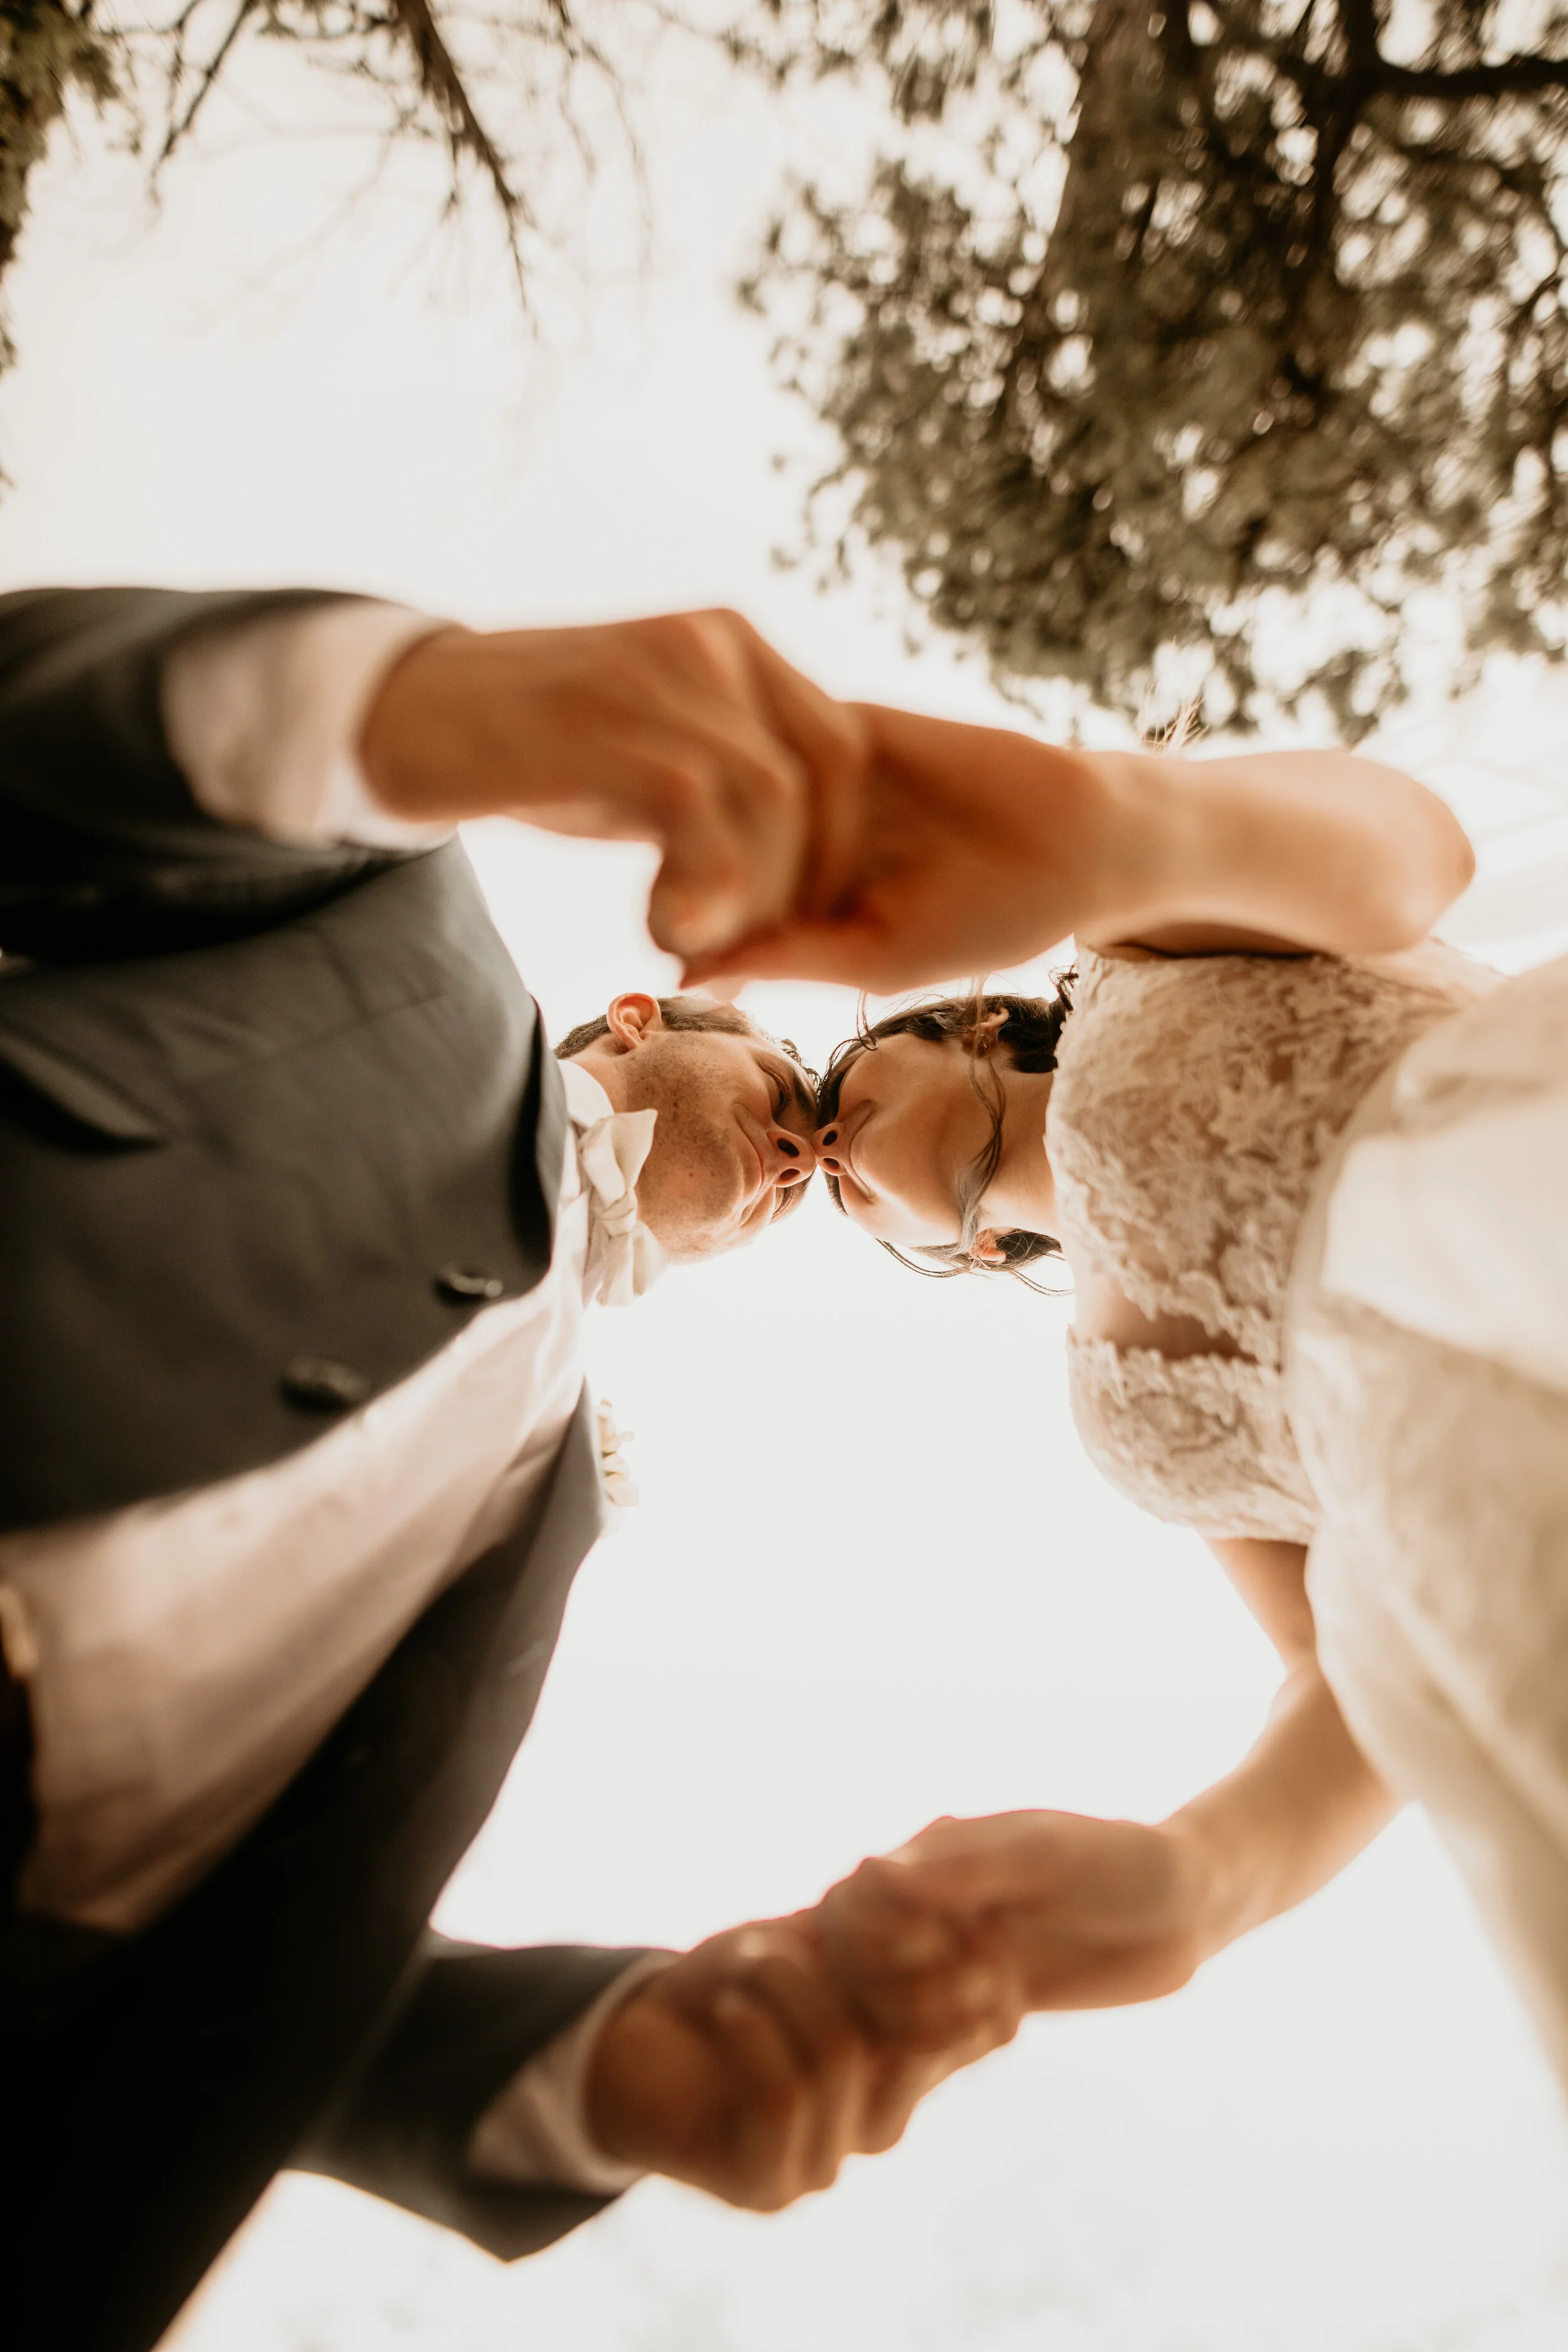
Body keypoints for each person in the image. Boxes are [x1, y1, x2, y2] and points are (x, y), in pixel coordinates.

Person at [0, 584, 1037, 2352]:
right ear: (642, 1017)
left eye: (819, 1175)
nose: (801, 1143)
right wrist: (439, 707)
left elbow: (263, 1988)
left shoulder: (544, 1528)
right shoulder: (406, 924)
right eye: (784, 1075)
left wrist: (609, 2076)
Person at [768, 730, 1568, 2108]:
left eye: (837, 1098)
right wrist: (1198, 1879)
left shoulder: (1129, 937)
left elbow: (1408, 855)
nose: (824, 1152)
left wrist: (1118, 829)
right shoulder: (1111, 1412)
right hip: (1501, 1545)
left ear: (958, 1023)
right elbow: (1341, 1669)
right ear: (956, 1258)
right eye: (823, 1186)